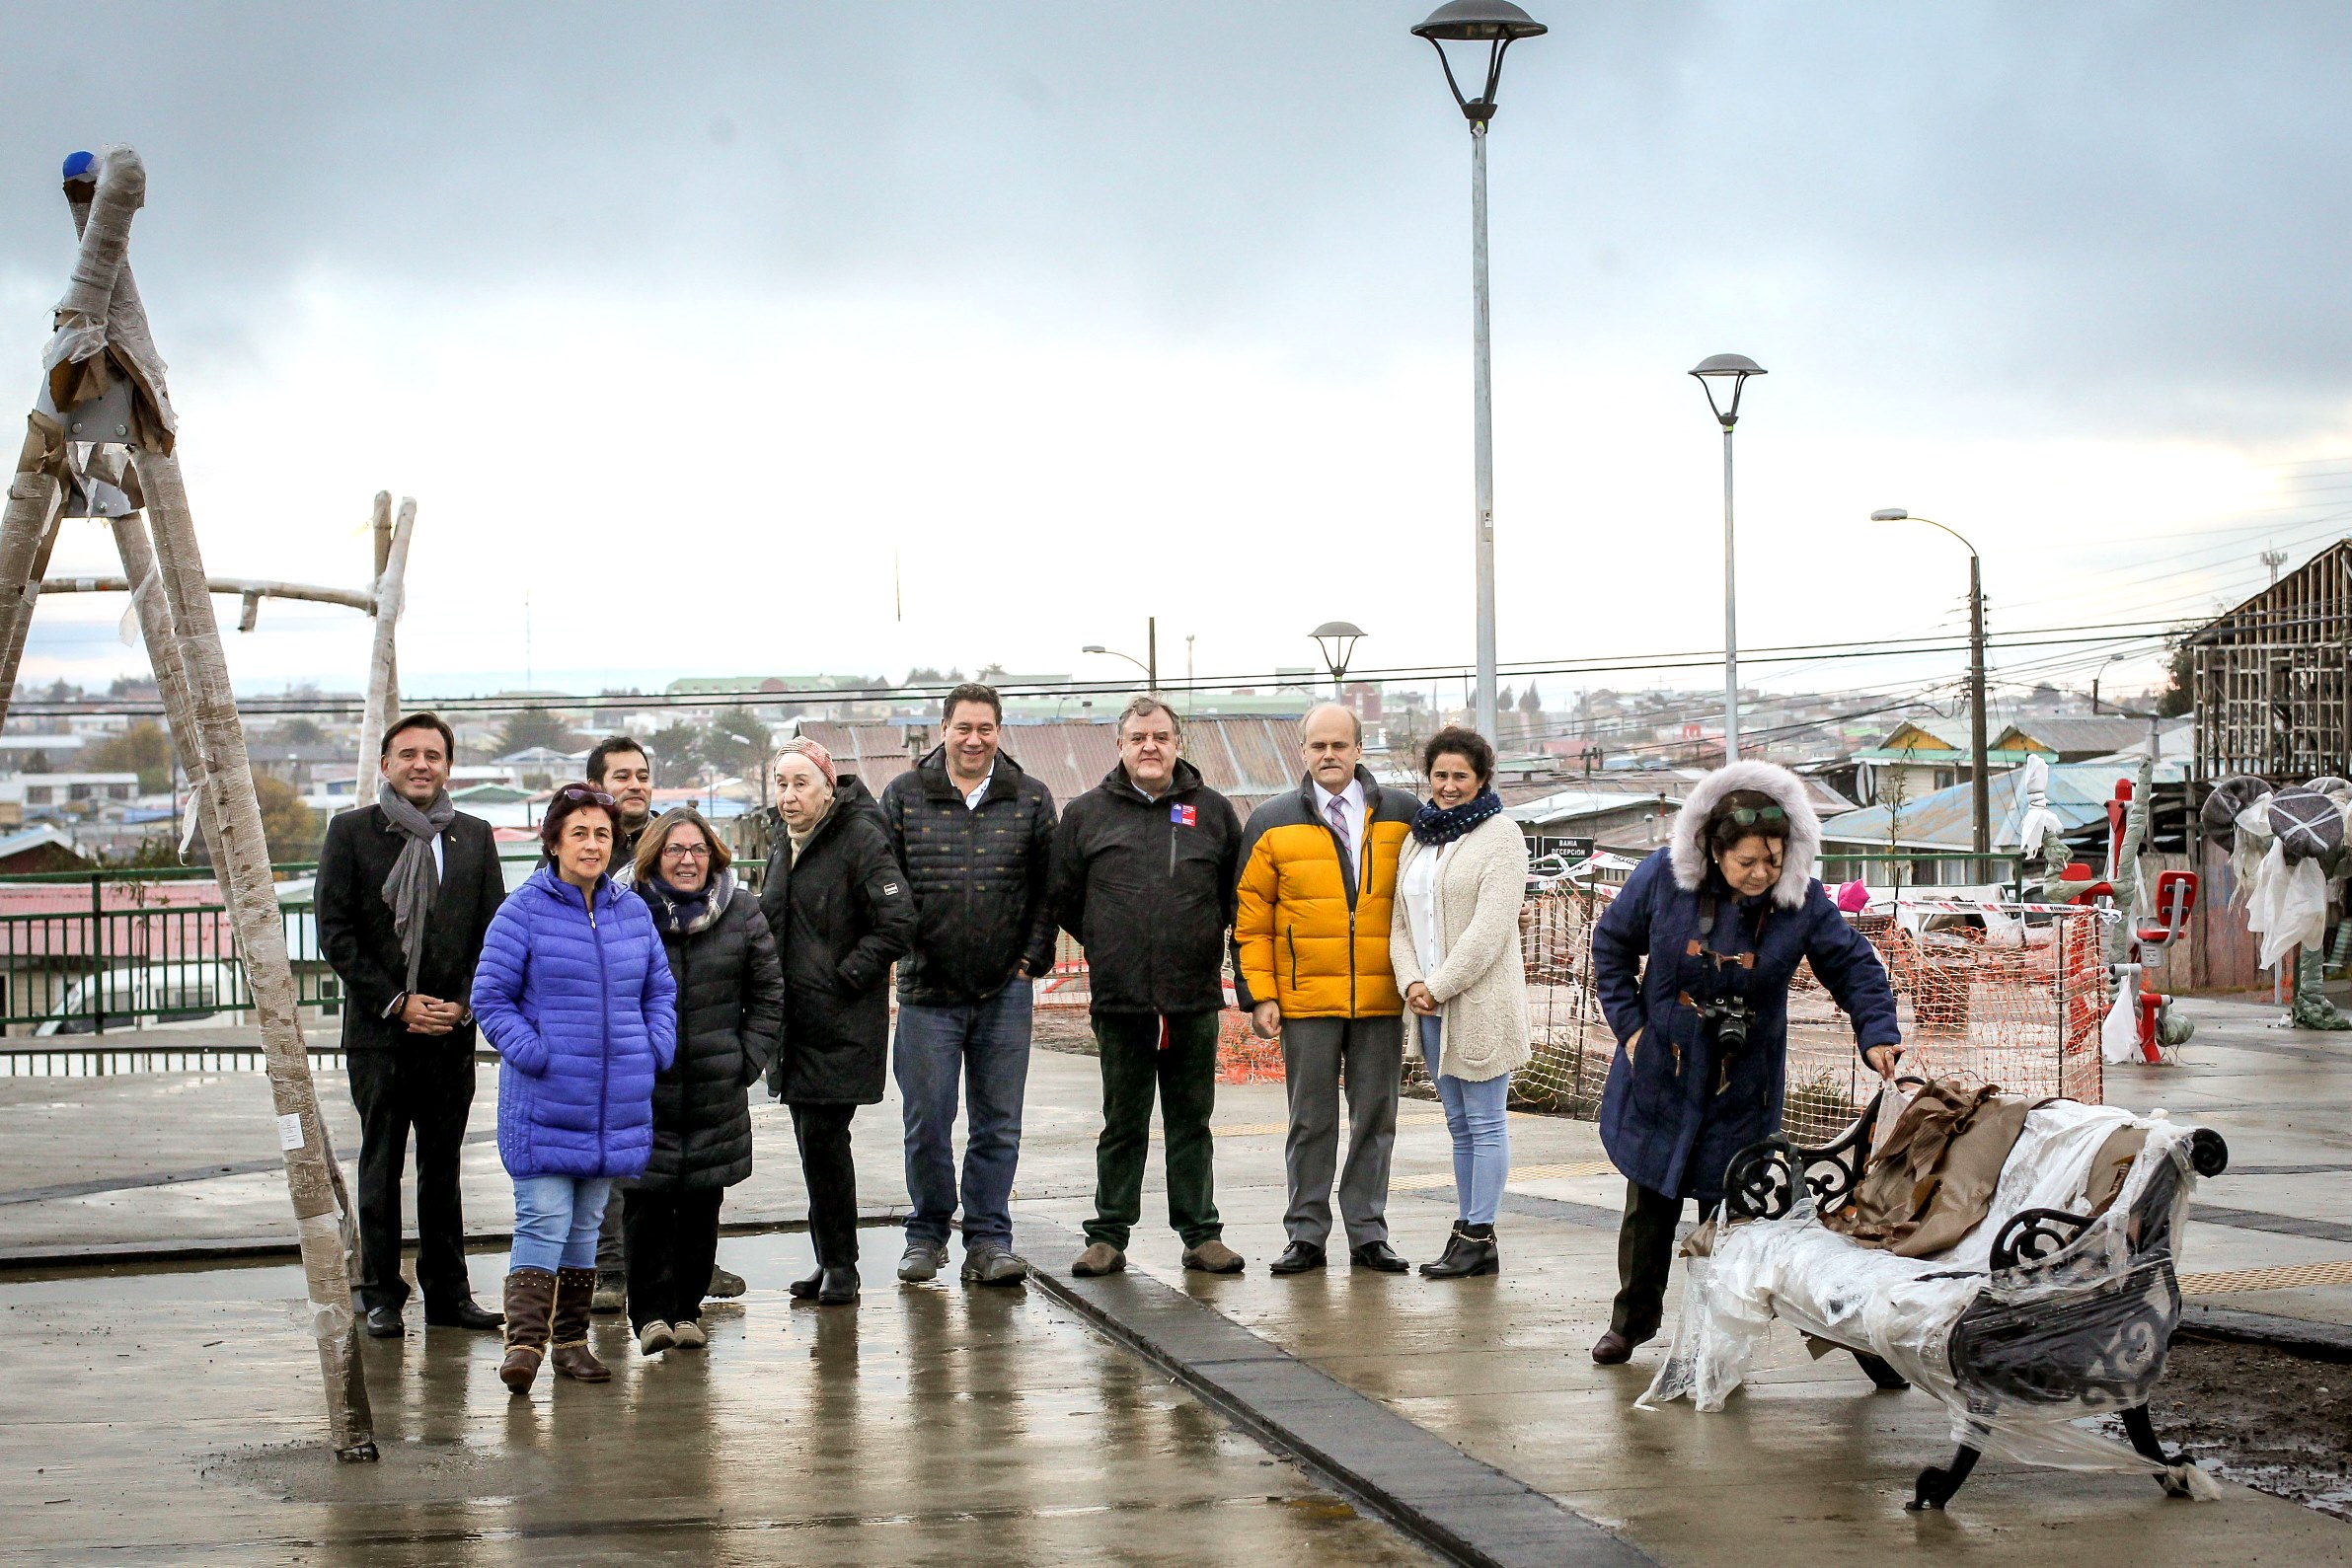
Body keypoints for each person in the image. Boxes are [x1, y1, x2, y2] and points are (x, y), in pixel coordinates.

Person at [1587, 760, 1902, 1365]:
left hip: (1743, 1082)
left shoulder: (1801, 901)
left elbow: (1854, 966)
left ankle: (1713, 1335)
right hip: (1663, 1070)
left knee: (1730, 1213)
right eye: (1747, 862)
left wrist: (1877, 1033)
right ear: (1713, 850)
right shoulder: (1661, 877)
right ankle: (1631, 1321)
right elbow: (1612, 946)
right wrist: (1629, 1030)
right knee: (1649, 1206)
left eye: (1773, 860)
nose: (1762, 873)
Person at [472, 783, 677, 1394]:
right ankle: (524, 1345)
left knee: (587, 1222)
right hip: (545, 1099)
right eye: (579, 832)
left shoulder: (632, 911)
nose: (592, 845)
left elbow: (659, 992)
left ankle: (570, 1344)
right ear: (554, 840)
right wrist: (537, 1052)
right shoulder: (523, 910)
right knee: (543, 1216)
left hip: (614, 1102)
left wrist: (653, 1045)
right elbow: (490, 998)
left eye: (602, 834)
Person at [315, 711, 509, 1339]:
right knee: (380, 1164)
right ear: (385, 765)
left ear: (448, 767)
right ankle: (380, 1294)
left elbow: (491, 932)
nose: (421, 764)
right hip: (380, 1034)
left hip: (451, 1032)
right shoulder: (351, 833)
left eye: (433, 755)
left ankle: (450, 1294)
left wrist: (461, 1003)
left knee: (443, 1169)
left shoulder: (473, 837)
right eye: (408, 755)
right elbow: (336, 935)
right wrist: (398, 1001)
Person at [1052, 696, 1246, 1279]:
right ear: (1120, 746)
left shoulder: (1211, 812)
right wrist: (1112, 940)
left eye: (1160, 736)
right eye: (1138, 738)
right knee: (1123, 1123)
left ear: (1177, 743)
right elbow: (1064, 897)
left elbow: (1232, 897)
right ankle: (1108, 1235)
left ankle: (1201, 1234)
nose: (1150, 747)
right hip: (1122, 1001)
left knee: (1192, 1122)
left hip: (1192, 999)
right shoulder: (1086, 814)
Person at [878, 683, 1058, 1287]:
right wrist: (903, 952)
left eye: (985, 729)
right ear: (944, 730)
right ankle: (926, 1234)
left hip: (1004, 994)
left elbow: (1046, 888)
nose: (974, 740)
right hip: (928, 994)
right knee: (927, 1120)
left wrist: (1033, 957)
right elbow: (885, 883)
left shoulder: (1031, 798)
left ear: (999, 732)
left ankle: (988, 1239)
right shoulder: (903, 796)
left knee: (998, 1123)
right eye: (963, 728)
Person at [1232, 702, 1419, 1275]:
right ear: (1304, 751)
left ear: (1359, 750)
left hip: (1381, 996)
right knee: (1309, 1119)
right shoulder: (1270, 820)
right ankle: (1306, 1234)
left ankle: (1368, 1232)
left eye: (1340, 745)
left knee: (1375, 1117)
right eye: (1318, 746)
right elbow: (1251, 916)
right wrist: (1260, 992)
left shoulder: (1404, 814)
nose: (1329, 755)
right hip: (1305, 998)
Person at [623, 808, 785, 1356]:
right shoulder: (627, 911)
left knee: (700, 1202)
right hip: (644, 1087)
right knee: (645, 1203)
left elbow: (768, 994)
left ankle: (688, 1310)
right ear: (653, 857)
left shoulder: (741, 912)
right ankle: (648, 1314)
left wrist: (747, 1060)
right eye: (674, 850)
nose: (687, 860)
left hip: (717, 1083)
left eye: (697, 850)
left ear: (713, 855)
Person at [760, 737, 915, 1306]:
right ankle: (829, 1260)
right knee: (812, 1146)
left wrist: (846, 976)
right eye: (782, 784)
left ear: (829, 788)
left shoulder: (860, 838)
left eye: (802, 784)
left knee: (825, 1143)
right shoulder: (787, 842)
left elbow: (898, 920)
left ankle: (842, 1269)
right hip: (793, 1023)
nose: (789, 796)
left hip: (839, 1022)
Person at [1391, 726, 1530, 1280]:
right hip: (1427, 1005)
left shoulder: (1502, 837)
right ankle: (1467, 1229)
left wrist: (1439, 985)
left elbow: (1490, 929)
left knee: (1486, 1122)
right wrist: (1411, 984)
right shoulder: (1417, 838)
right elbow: (1399, 920)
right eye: (1441, 775)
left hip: (1478, 1004)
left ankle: (1480, 1231)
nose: (1448, 787)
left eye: (1460, 777)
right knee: (1459, 1125)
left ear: (1481, 780)